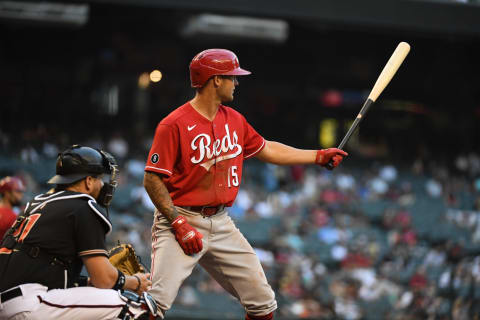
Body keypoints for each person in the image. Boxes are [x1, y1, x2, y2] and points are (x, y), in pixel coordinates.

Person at [143, 48, 348, 320]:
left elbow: (267, 149)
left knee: (263, 305)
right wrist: (178, 224)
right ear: (216, 80)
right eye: (232, 77)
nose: (236, 83)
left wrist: (317, 156)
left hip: (222, 221)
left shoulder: (234, 120)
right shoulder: (174, 124)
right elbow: (152, 178)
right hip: (180, 219)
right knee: (153, 307)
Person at [0, 145, 158, 320]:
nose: (102, 184)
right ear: (88, 181)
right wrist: (134, 283)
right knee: (134, 306)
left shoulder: (36, 203)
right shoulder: (83, 205)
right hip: (31, 303)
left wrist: (88, 282)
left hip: (14, 302)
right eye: (99, 178)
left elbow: (43, 266)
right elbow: (104, 280)